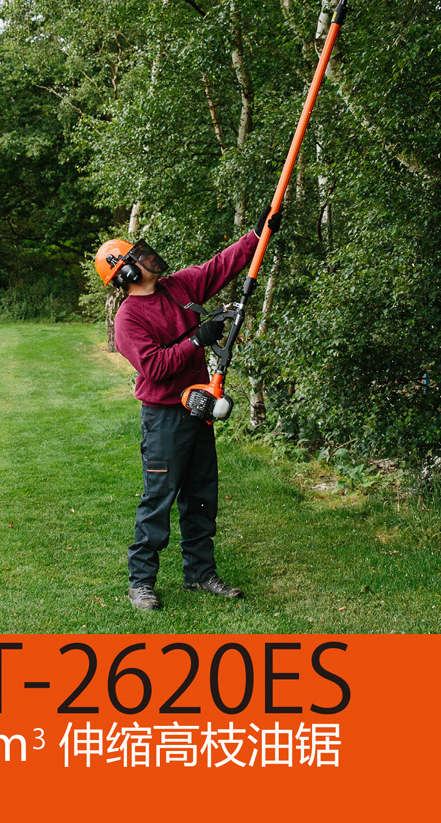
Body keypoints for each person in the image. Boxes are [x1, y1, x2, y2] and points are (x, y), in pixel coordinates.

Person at [94, 208, 281, 610]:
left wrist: (256, 235)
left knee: (200, 495)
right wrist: (197, 340)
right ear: (127, 273)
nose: (148, 257)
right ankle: (141, 581)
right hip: (164, 419)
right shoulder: (129, 319)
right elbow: (156, 367)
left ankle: (199, 573)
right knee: (158, 499)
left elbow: (220, 267)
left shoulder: (178, 286)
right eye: (138, 257)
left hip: (199, 411)